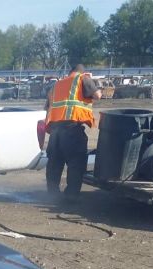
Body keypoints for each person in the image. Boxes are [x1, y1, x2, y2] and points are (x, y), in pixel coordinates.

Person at [44, 64, 102, 200]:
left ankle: (53, 193)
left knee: (54, 163)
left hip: (55, 132)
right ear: (82, 72)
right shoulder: (82, 79)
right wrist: (97, 85)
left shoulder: (56, 85)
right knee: (76, 162)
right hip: (72, 129)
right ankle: (71, 195)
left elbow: (47, 106)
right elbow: (97, 96)